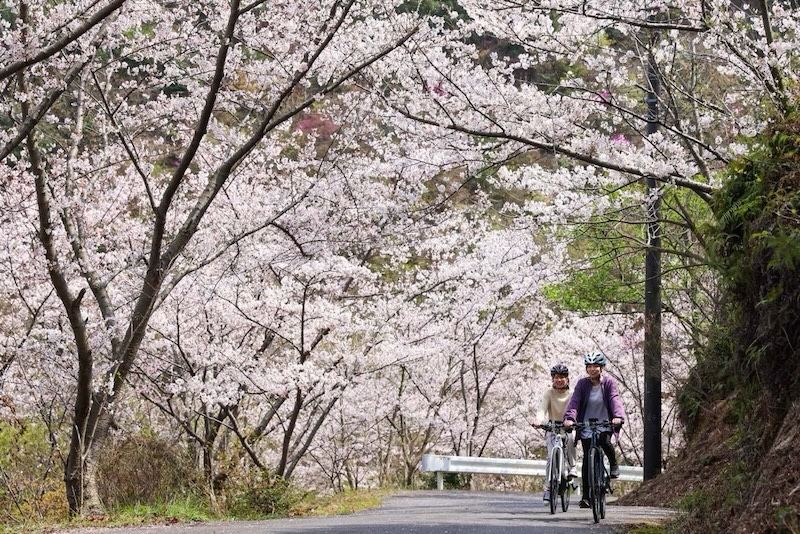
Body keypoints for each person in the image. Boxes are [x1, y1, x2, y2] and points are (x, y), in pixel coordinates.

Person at [563, 351, 626, 509]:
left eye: (595, 366)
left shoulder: (609, 383)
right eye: (589, 366)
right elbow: (575, 402)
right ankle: (586, 497)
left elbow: (614, 399)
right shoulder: (582, 384)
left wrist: (617, 416)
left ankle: (613, 464)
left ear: (602, 367)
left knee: (604, 441)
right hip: (586, 424)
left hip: (604, 422)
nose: (592, 369)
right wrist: (570, 418)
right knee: (586, 460)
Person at [533, 363, 577, 504]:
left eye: (563, 377)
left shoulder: (572, 394)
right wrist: (539, 420)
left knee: (572, 439)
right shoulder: (549, 393)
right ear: (552, 379)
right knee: (551, 456)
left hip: (568, 427)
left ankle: (572, 467)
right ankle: (548, 488)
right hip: (552, 428)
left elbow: (576, 408)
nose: (559, 380)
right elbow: (542, 408)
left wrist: (572, 421)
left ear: (567, 379)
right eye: (557, 377)